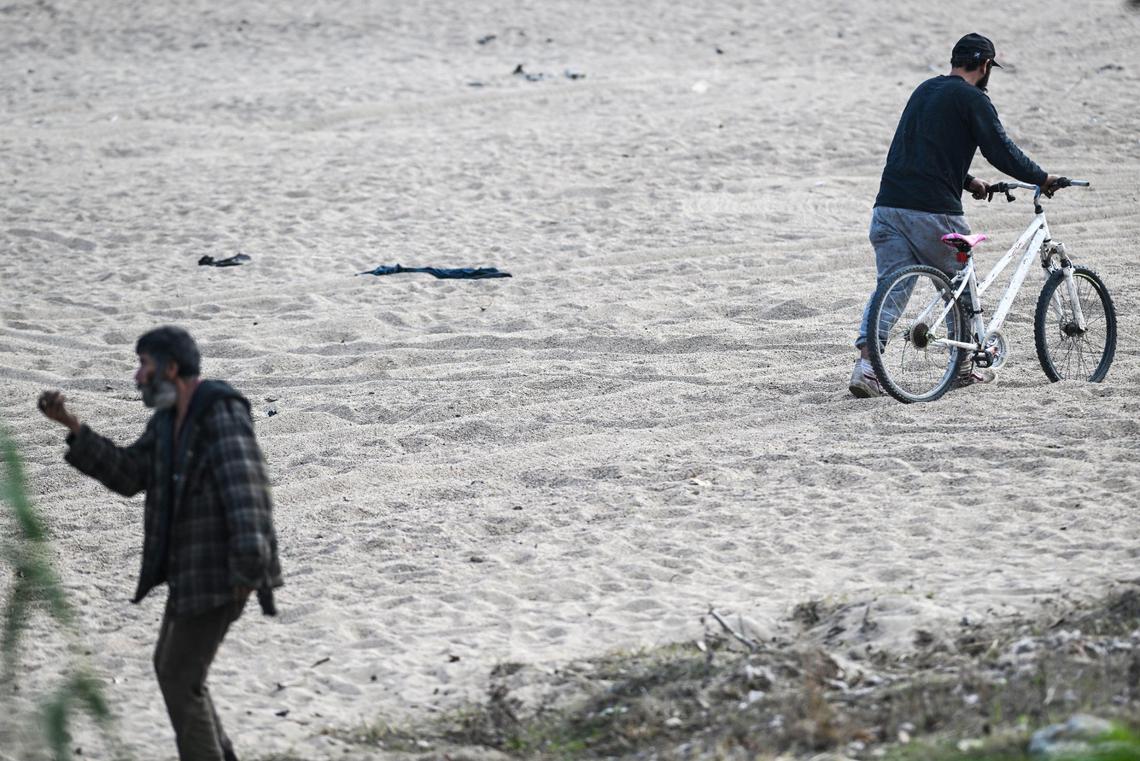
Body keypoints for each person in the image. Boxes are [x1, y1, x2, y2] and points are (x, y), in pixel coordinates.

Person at [38, 326, 282, 761]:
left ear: (171, 368)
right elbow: (131, 474)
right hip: (191, 571)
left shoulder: (219, 413)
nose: (137, 377)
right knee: (175, 670)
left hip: (223, 572)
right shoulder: (169, 420)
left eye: (144, 366)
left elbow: (248, 492)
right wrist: (73, 427)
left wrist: (247, 571)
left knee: (178, 676)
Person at [849, 33, 1059, 398]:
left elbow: (918, 149)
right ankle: (961, 367)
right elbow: (1001, 151)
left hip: (888, 208)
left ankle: (867, 368)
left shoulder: (924, 90)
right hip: (933, 213)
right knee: (960, 288)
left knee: (892, 288)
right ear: (985, 66)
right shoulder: (973, 98)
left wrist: (968, 180)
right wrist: (1042, 178)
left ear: (954, 61)